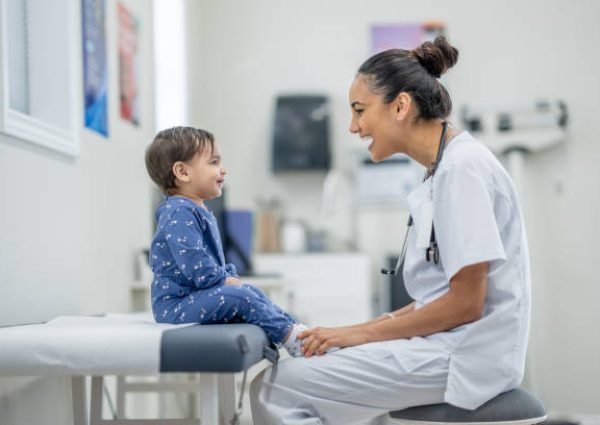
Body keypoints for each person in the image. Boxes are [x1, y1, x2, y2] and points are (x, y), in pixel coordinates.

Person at [250, 36, 532, 425]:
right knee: (309, 368)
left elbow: (465, 303)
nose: (353, 126)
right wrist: (351, 331)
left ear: (400, 106)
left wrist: (361, 335)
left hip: (467, 354)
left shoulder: (462, 170)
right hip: (450, 345)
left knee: (276, 386)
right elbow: (436, 297)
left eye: (359, 110)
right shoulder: (443, 169)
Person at [144, 126, 306, 356]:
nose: (222, 170)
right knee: (243, 296)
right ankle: (293, 339)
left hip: (193, 298)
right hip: (176, 306)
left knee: (251, 292)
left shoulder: (195, 209)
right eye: (213, 162)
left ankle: (296, 330)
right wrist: (224, 280)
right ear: (182, 172)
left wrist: (227, 278)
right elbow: (195, 265)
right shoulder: (178, 211)